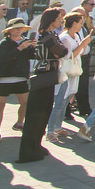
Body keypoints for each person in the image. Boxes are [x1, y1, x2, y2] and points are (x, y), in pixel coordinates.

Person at [17, 8, 66, 163]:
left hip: (49, 75)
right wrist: (62, 50)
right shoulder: (47, 35)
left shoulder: (49, 35)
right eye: (59, 18)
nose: (61, 21)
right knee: (36, 114)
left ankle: (36, 145)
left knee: (44, 112)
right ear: (52, 20)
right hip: (44, 76)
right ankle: (28, 150)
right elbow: (61, 51)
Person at [0, 18, 34, 145]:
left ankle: (20, 123)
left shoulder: (24, 41)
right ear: (10, 30)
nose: (19, 30)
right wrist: (19, 48)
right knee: (0, 105)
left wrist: (33, 47)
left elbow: (32, 56)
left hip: (20, 77)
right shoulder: (4, 43)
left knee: (25, 102)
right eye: (16, 28)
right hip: (4, 77)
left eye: (21, 28)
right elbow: (3, 58)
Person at [47, 12, 90, 143]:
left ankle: (58, 126)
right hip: (64, 71)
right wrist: (83, 44)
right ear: (74, 23)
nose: (82, 25)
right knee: (59, 101)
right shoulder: (65, 37)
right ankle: (50, 130)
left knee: (66, 101)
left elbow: (80, 53)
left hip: (74, 71)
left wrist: (83, 45)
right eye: (80, 22)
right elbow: (67, 56)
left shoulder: (75, 36)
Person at [74, 0, 95, 119]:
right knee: (73, 85)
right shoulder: (73, 29)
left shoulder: (83, 27)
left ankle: (84, 107)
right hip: (76, 58)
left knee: (83, 84)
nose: (84, 18)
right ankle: (69, 108)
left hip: (84, 57)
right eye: (81, 16)